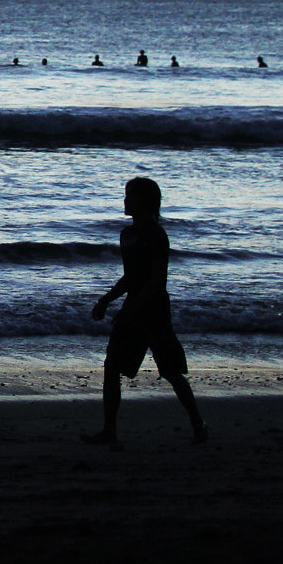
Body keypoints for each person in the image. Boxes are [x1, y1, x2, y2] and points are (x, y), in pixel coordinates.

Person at [83, 176, 208, 448]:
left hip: (154, 311)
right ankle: (109, 430)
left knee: (171, 370)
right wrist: (107, 299)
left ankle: (198, 425)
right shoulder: (127, 234)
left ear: (145, 202)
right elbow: (130, 277)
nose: (125, 200)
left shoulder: (155, 234)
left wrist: (132, 309)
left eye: (130, 196)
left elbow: (157, 280)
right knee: (112, 366)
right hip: (133, 308)